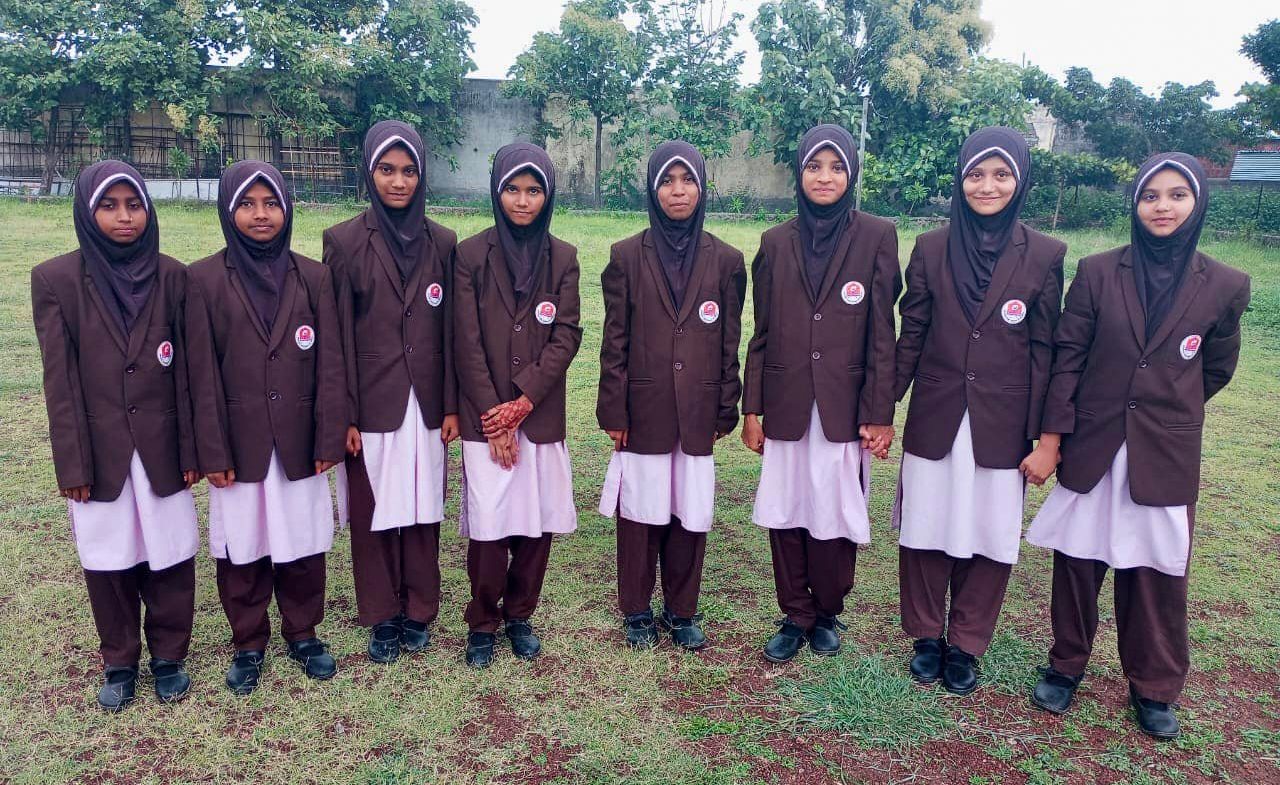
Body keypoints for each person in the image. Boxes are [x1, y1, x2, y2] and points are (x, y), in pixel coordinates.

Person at [1025, 153, 1250, 740]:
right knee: (1078, 561)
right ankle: (1066, 663)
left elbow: (1216, 367)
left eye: (1178, 195)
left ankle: (1154, 686)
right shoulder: (1099, 272)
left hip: (1163, 450)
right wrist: (1056, 434)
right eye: (1151, 195)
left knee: (1156, 571)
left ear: (1197, 203)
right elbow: (1067, 359)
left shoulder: (1225, 284)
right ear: (1135, 202)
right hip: (1094, 441)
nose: (1163, 206)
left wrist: (1165, 407)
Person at [892, 127, 1066, 694]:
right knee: (925, 525)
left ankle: (966, 643)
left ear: (1019, 182)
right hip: (937, 411)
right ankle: (924, 636)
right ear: (960, 179)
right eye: (975, 174)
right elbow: (911, 332)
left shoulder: (1044, 254)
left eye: (1001, 175)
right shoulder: (932, 246)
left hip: (1004, 420)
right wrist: (877, 407)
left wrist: (1047, 438)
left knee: (989, 532)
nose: (987, 186)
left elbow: (1046, 351)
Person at [31, 161, 200, 711]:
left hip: (163, 445)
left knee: (170, 553)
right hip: (99, 451)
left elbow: (192, 375)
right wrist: (73, 465)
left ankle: (170, 655)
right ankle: (120, 659)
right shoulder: (56, 280)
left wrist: (195, 450)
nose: (125, 217)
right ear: (86, 211)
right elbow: (60, 383)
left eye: (134, 205)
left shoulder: (175, 277)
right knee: (109, 557)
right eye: (109, 206)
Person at [741, 124, 901, 663]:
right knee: (786, 509)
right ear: (799, 173)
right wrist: (753, 407)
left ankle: (828, 610)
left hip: (844, 406)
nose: (825, 177)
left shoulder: (877, 236)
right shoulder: (775, 242)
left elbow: (883, 331)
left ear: (851, 173)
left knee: (834, 509)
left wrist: (880, 412)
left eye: (836, 167)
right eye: (814, 166)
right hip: (786, 401)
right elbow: (761, 333)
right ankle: (794, 613)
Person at [186, 161, 345, 693]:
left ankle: (303, 632)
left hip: (300, 440)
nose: (260, 215)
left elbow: (332, 366)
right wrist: (212, 449)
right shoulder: (203, 280)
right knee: (244, 546)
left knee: (303, 541)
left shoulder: (315, 277)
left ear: (287, 208)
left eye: (271, 203)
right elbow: (200, 375)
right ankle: (249, 640)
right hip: (239, 442)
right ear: (228, 211)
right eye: (247, 205)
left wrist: (328, 436)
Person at [597, 140, 746, 650]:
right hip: (643, 409)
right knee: (640, 511)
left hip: (699, 409)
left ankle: (681, 610)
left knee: (690, 510)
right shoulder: (625, 257)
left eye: (688, 180)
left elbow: (730, 341)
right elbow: (613, 341)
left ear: (703, 187)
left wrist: (728, 405)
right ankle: (637, 611)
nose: (678, 191)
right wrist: (613, 409)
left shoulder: (726, 260)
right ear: (652, 188)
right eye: (667, 180)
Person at [324, 120, 460, 663]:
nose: (398, 182)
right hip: (371, 401)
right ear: (369, 172)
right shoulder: (344, 241)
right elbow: (334, 335)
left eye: (408, 171)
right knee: (374, 509)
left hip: (426, 402)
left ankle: (420, 608)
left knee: (424, 504)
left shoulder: (443, 242)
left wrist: (451, 404)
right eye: (386, 170)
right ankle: (382, 615)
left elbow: (452, 333)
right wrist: (344, 414)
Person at [453, 143, 582, 668]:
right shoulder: (468, 255)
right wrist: (494, 416)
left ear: (547, 195)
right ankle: (482, 621)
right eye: (512, 189)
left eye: (534, 190)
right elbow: (466, 341)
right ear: (496, 191)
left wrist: (523, 402)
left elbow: (567, 334)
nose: (523, 201)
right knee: (489, 521)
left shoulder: (565, 256)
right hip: (484, 415)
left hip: (540, 413)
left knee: (536, 519)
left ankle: (520, 614)